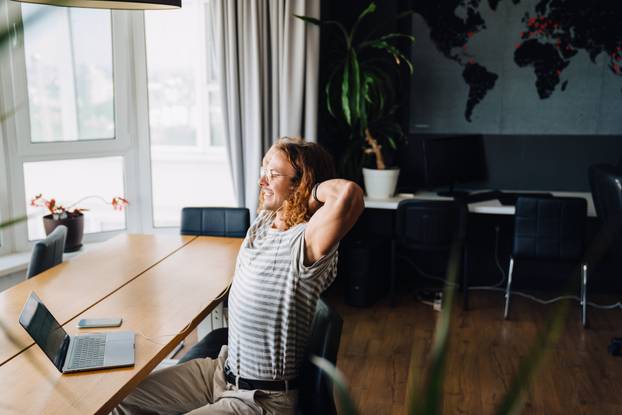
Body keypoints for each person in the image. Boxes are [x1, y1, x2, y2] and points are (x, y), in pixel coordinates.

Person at [112, 137, 365, 414]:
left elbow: (348, 195)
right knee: (123, 400)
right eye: (263, 170)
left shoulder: (306, 242)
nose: (262, 182)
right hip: (220, 373)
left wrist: (309, 190)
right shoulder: (266, 222)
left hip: (261, 399)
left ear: (300, 184)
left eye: (273, 174)